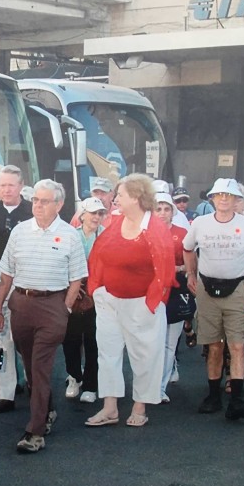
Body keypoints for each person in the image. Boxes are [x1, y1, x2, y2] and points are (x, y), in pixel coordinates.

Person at [0, 179, 86, 453]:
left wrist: (65, 309)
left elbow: (77, 278)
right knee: (31, 368)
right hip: (21, 305)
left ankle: (34, 432)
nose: (38, 206)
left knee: (41, 367)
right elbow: (6, 273)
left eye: (44, 201)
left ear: (59, 204)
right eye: (35, 200)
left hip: (52, 307)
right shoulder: (20, 232)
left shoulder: (70, 235)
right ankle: (47, 410)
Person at [84, 174, 174, 428]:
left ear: (135, 198)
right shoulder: (117, 222)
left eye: (120, 195)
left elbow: (164, 272)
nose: (115, 199)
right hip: (110, 300)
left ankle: (140, 405)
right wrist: (98, 289)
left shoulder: (154, 229)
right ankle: (110, 407)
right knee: (108, 353)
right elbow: (100, 253)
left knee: (144, 355)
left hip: (142, 302)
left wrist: (152, 303)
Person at [183, 178, 244, 419]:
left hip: (237, 289)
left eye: (228, 195)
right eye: (219, 195)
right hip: (206, 289)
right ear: (212, 198)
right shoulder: (200, 223)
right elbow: (187, 248)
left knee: (237, 344)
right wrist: (191, 273)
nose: (223, 199)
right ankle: (213, 396)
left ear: (237, 200)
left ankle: (236, 400)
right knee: (214, 346)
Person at [0, 165, 32, 413]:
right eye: (2, 185)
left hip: (25, 280)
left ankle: (33, 383)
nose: (6, 190)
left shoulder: (32, 211)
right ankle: (5, 394)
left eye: (11, 185)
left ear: (21, 186)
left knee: (25, 338)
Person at [62, 197, 106, 404]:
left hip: (98, 293)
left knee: (93, 341)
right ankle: (74, 377)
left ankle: (90, 385)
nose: (96, 217)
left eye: (100, 213)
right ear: (83, 215)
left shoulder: (106, 235)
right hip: (73, 291)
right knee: (69, 339)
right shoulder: (71, 235)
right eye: (93, 213)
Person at [154, 192, 193, 403]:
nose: (162, 213)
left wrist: (177, 267)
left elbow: (192, 261)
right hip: (153, 292)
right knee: (153, 342)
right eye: (158, 208)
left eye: (166, 209)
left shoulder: (182, 232)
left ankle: (161, 387)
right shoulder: (145, 232)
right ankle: (148, 385)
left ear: (173, 212)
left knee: (170, 343)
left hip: (177, 290)